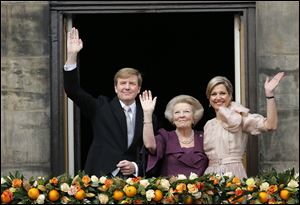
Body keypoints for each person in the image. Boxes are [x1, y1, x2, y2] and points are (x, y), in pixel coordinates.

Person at [63, 27, 157, 177]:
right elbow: (72, 90)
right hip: (100, 177)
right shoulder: (100, 107)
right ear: (115, 88)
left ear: (139, 88)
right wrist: (72, 54)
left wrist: (136, 166)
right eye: (123, 83)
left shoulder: (148, 115)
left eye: (132, 84)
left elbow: (152, 152)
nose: (127, 87)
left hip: (135, 182)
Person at [203, 72, 285, 178]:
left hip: (233, 175)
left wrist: (269, 94)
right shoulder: (208, 125)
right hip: (211, 176)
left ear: (230, 96)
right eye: (213, 94)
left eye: (222, 93)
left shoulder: (239, 118)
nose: (218, 97)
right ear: (209, 98)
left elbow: (270, 125)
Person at [139, 91, 208, 177]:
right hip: (171, 189)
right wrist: (147, 114)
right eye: (177, 112)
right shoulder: (165, 136)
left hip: (202, 189)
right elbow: (149, 145)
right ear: (172, 119)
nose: (181, 115)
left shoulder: (204, 137)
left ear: (194, 117)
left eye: (186, 111)